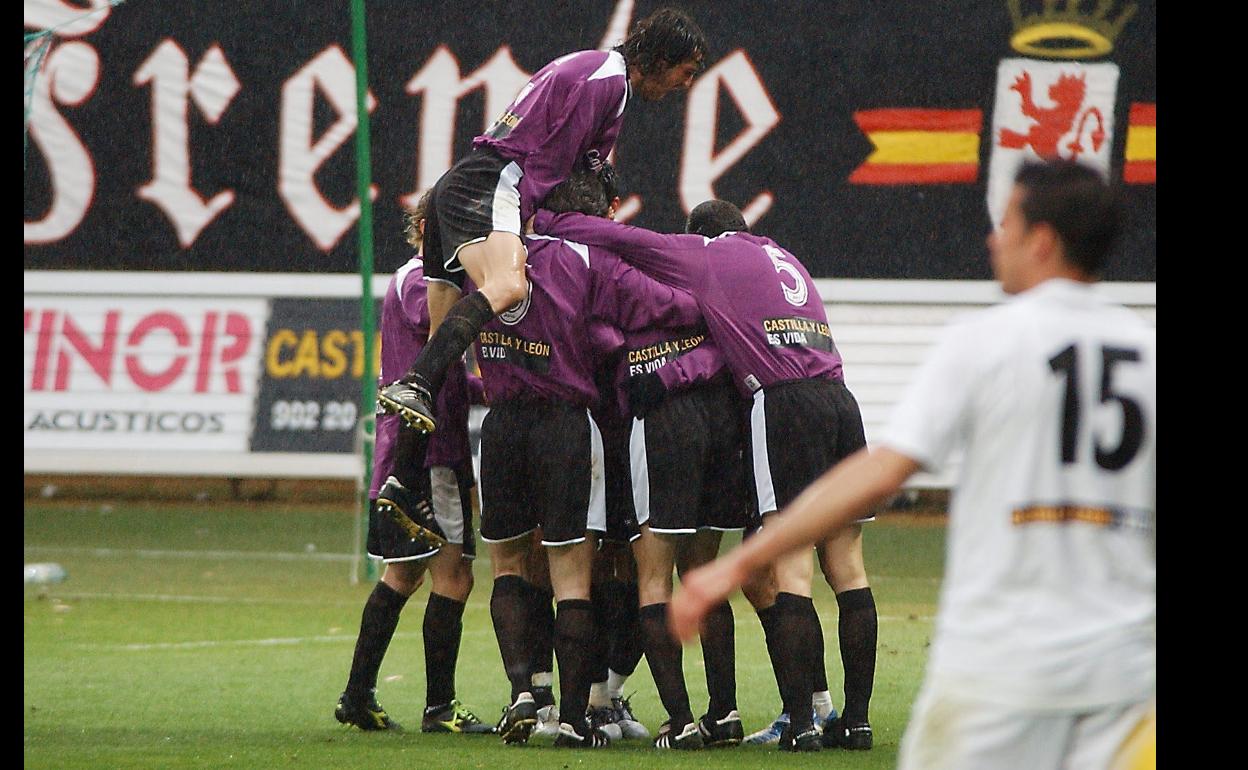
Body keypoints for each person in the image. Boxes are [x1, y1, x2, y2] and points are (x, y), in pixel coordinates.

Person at [669, 159, 1156, 770]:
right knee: (850, 569)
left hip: (1001, 669)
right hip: (1125, 681)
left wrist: (737, 563)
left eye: (1005, 223)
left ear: (1042, 241)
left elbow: (881, 471)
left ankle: (806, 719)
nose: (992, 240)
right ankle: (846, 714)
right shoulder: (1146, 351)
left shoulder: (983, 343)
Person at [533, 197, 878, 752]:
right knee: (849, 568)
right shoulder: (782, 257)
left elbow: (629, 241)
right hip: (841, 400)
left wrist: (548, 221)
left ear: (701, 236)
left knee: (789, 570)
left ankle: (801, 726)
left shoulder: (711, 255)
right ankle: (855, 723)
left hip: (784, 404)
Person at [376, 7, 706, 436]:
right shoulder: (608, 81)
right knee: (509, 285)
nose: (686, 84)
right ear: (661, 59)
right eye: (686, 71)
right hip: (494, 183)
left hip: (461, 181)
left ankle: (408, 433)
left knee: (439, 357)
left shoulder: (593, 68)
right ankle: (416, 386)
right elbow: (550, 164)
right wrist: (530, 224)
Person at [475, 167, 703, 749]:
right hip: (566, 424)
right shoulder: (588, 261)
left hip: (500, 427)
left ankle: (526, 694)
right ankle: (578, 718)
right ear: (598, 214)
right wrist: (719, 302)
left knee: (508, 567)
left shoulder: (487, 256)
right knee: (577, 577)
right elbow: (665, 306)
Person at [334, 192, 491, 735]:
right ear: (426, 228)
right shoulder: (421, 281)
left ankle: (357, 694)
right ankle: (439, 706)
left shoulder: (415, 279)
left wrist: (486, 389)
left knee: (403, 574)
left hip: (414, 446)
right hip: (430, 451)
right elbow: (448, 326)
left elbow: (441, 365)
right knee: (455, 575)